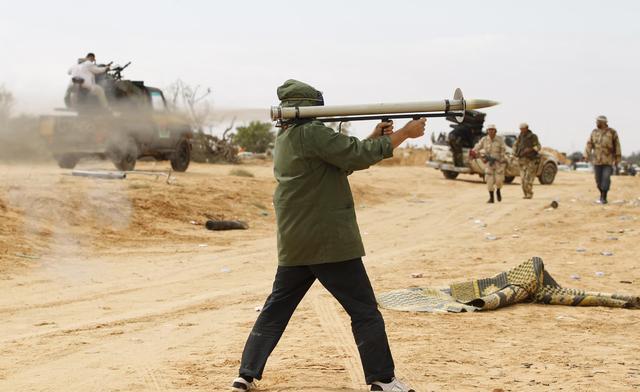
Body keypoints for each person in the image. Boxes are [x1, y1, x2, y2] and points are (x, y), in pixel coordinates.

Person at [231, 80, 423, 392]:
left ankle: (246, 375)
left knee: (275, 310)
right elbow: (354, 157)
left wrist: (375, 137)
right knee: (364, 311)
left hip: (296, 242)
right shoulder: (312, 132)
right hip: (328, 243)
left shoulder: (287, 137)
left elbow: (338, 163)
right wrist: (404, 135)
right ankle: (383, 380)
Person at [584, 115, 621, 204]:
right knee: (598, 180)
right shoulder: (594, 132)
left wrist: (617, 158)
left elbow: (617, 145)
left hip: (608, 161)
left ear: (603, 123)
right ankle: (601, 194)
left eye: (598, 122)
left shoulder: (612, 132)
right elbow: (589, 144)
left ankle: (604, 197)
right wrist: (586, 155)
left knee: (606, 178)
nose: (596, 123)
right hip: (597, 160)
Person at [472, 124, 506, 203]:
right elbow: (478, 146)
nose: (490, 131)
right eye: (489, 130)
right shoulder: (484, 139)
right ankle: (491, 198)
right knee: (489, 180)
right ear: (487, 131)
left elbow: (503, 149)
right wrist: (473, 151)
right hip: (488, 163)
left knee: (499, 180)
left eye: (492, 130)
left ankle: (498, 191)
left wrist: (501, 158)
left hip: (498, 162)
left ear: (495, 131)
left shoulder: (500, 139)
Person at [513, 123, 541, 199]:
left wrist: (530, 149)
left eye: (523, 129)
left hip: (530, 160)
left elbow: (538, 146)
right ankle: (526, 193)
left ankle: (529, 193)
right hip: (522, 160)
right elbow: (516, 145)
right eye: (520, 129)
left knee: (528, 179)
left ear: (527, 128)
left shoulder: (532, 136)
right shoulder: (520, 136)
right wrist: (515, 152)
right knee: (522, 179)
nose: (521, 130)